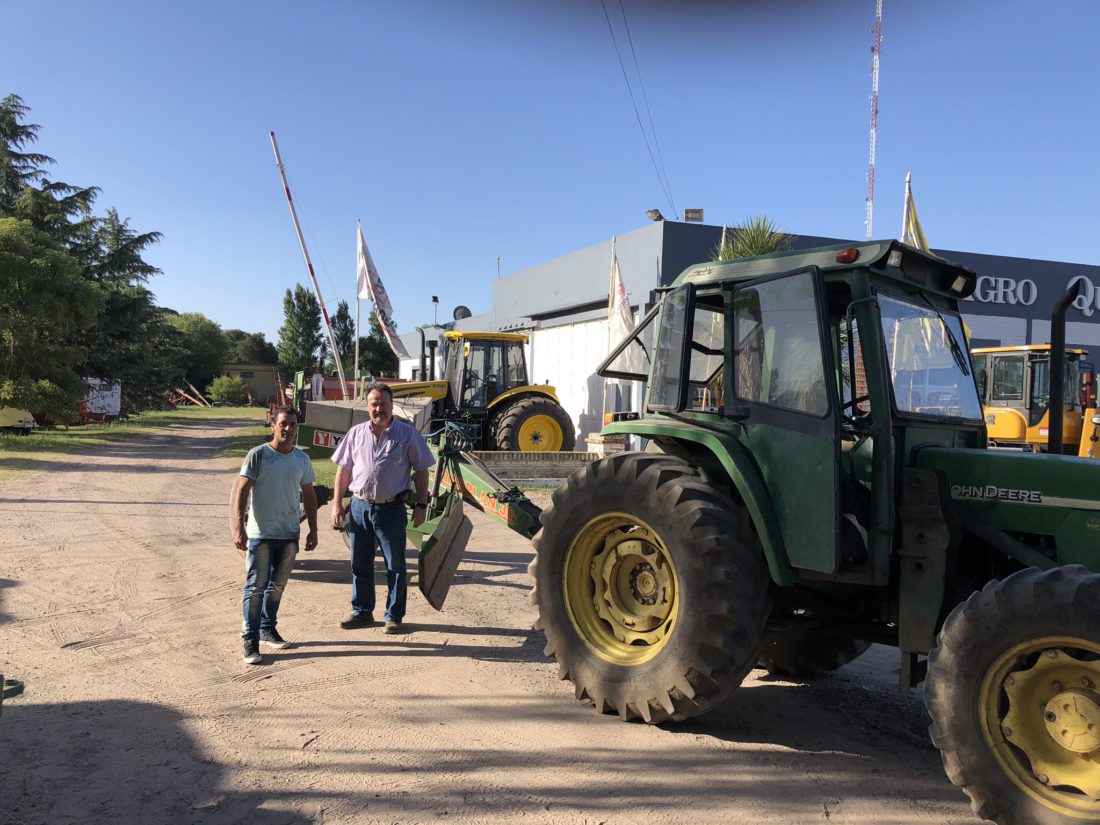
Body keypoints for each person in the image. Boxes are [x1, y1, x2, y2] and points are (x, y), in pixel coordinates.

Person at [330, 383, 434, 634]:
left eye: (383, 404)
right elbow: (343, 470)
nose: (379, 409)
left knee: (395, 565)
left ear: (392, 405)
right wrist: (336, 503)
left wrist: (421, 505)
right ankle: (362, 612)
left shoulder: (407, 435)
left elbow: (422, 470)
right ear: (367, 407)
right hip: (359, 508)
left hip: (391, 510)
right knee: (359, 564)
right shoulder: (355, 434)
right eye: (374, 404)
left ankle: (394, 616)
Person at [230, 406, 318, 665]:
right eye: (283, 424)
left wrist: (313, 529)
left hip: (289, 533)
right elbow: (241, 492)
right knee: (255, 587)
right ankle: (250, 638)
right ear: (273, 425)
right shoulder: (258, 455)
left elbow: (309, 495)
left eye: (293, 424)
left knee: (277, 586)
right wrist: (238, 528)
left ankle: (267, 628)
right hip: (261, 534)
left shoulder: (301, 459)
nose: (288, 429)